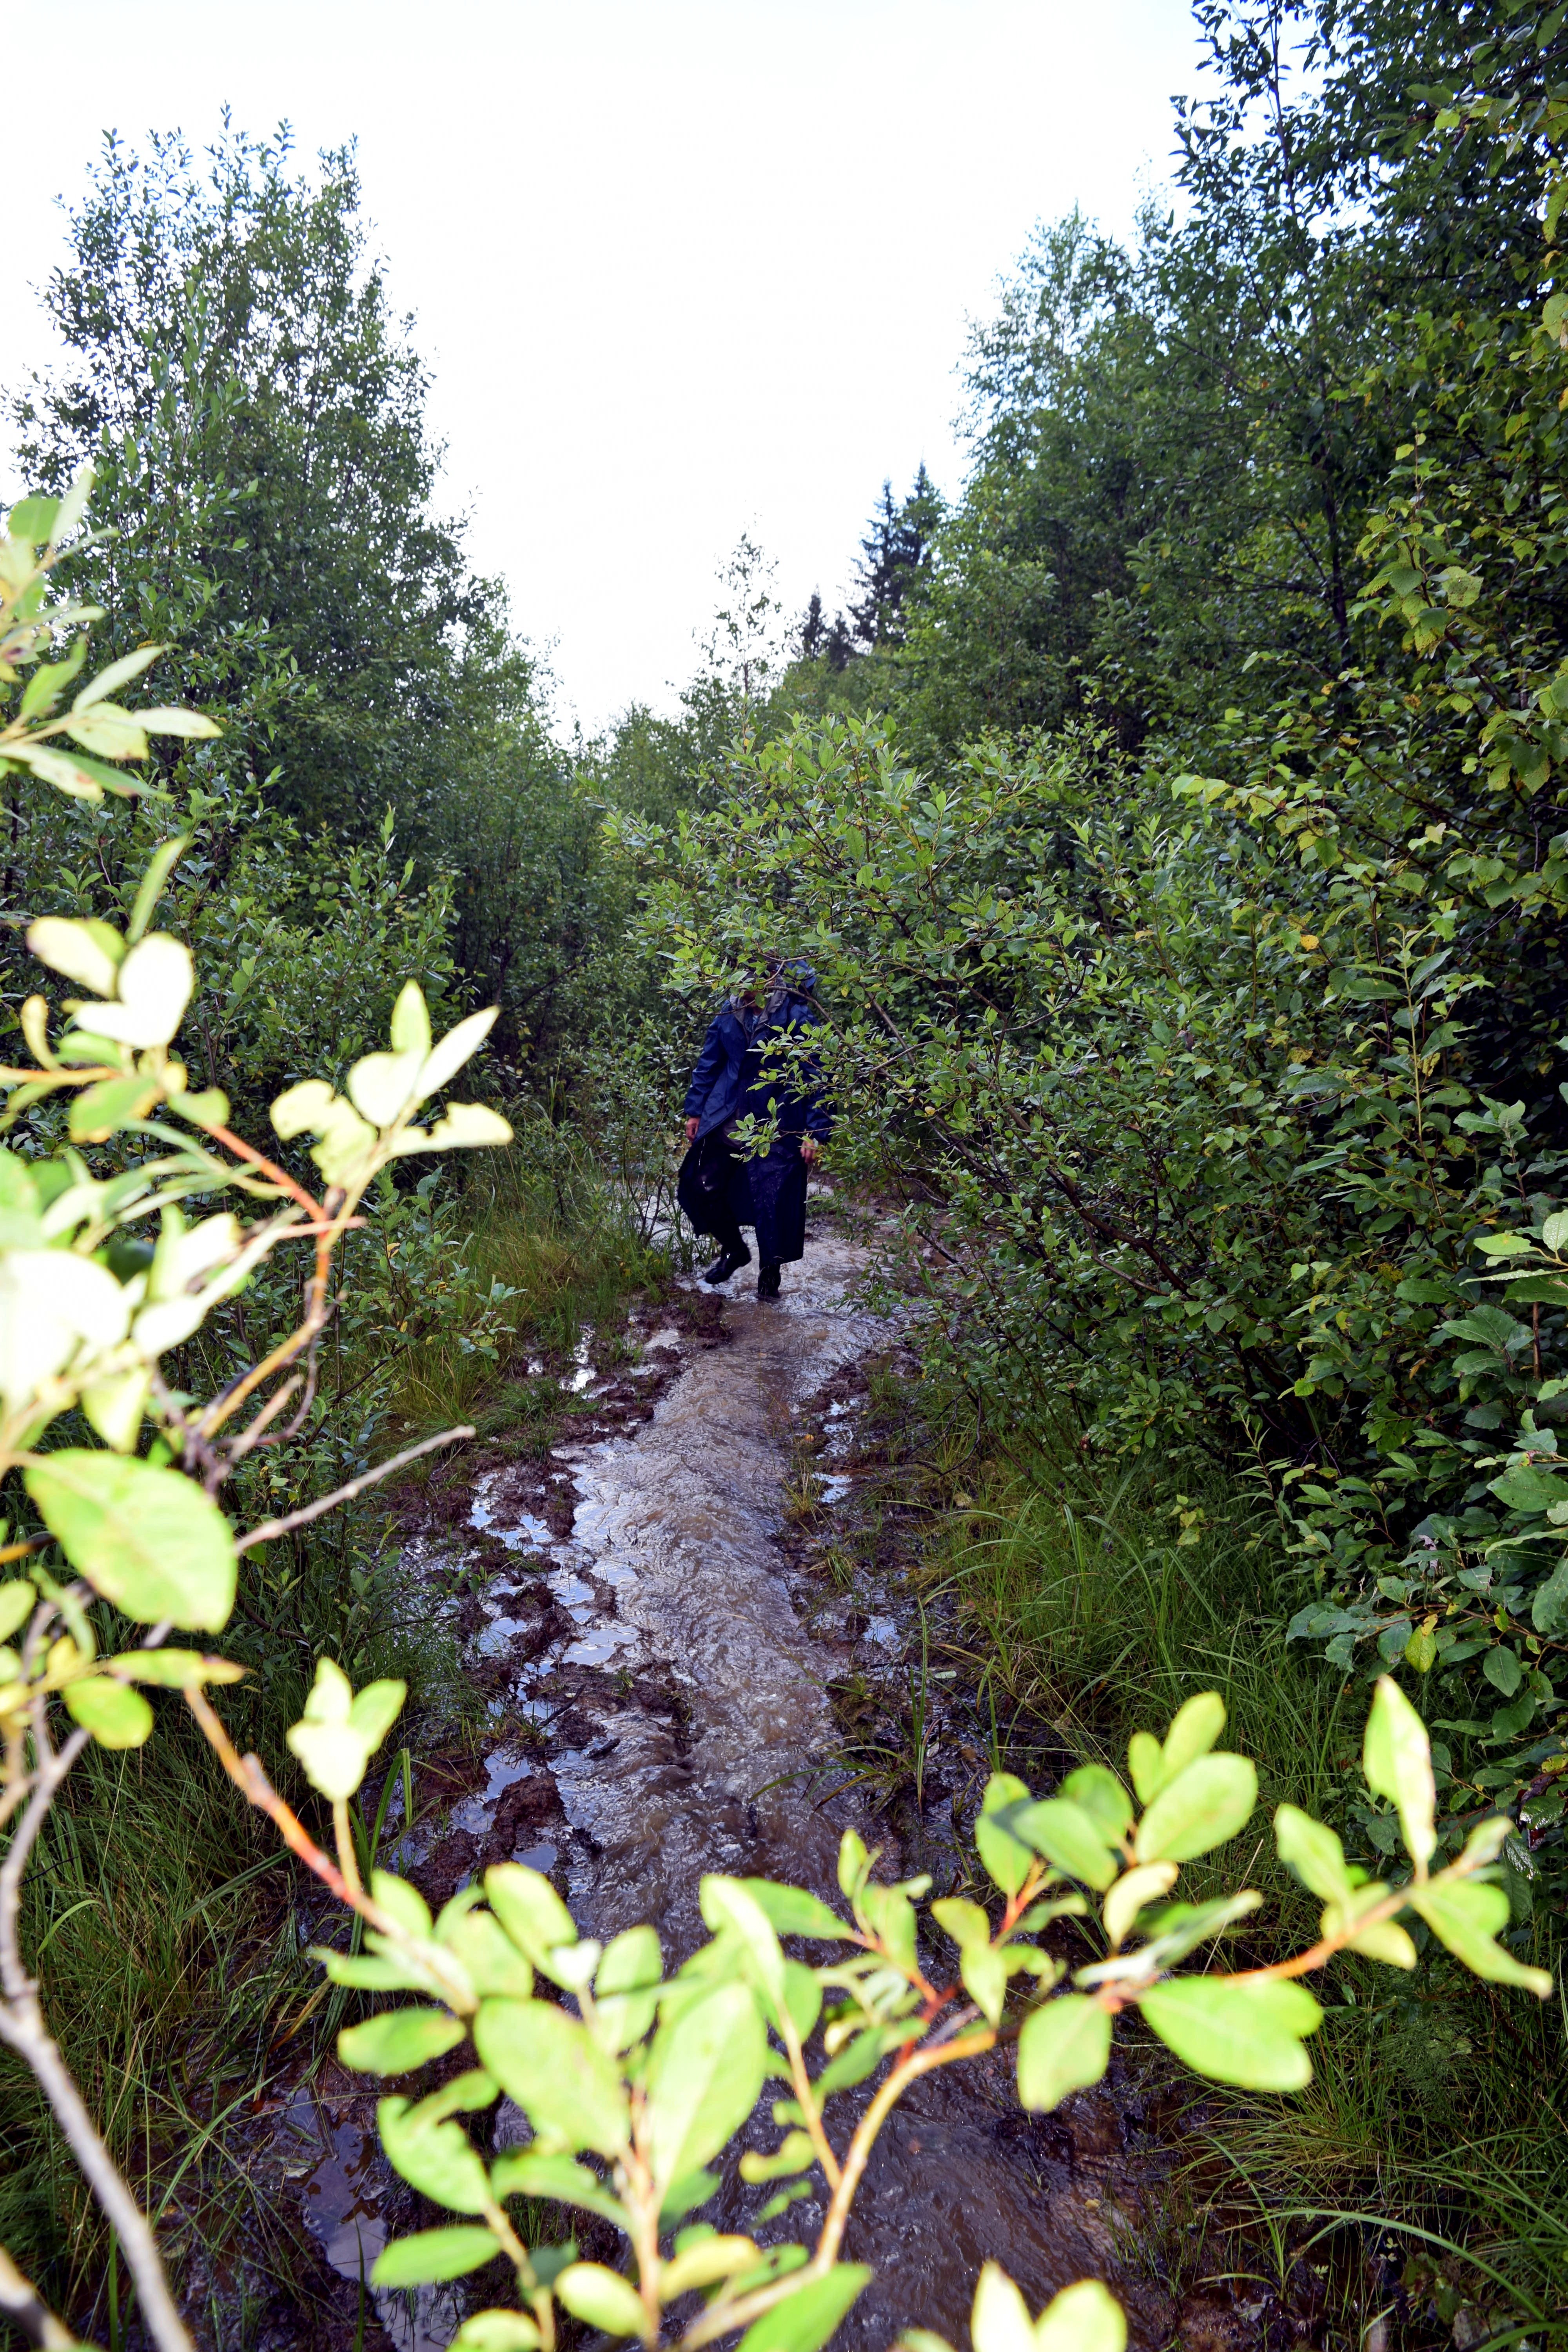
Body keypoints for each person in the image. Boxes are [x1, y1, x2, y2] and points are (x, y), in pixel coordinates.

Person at [676, 956, 830, 1299]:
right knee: (698, 1184)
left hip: (778, 1120)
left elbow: (816, 1075)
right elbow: (709, 1062)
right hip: (727, 1114)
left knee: (772, 1202)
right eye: (736, 981)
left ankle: (769, 1276)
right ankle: (735, 1249)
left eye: (749, 980)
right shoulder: (727, 1012)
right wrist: (695, 1110)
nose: (742, 988)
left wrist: (814, 1131)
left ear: (768, 979)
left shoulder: (795, 1015)